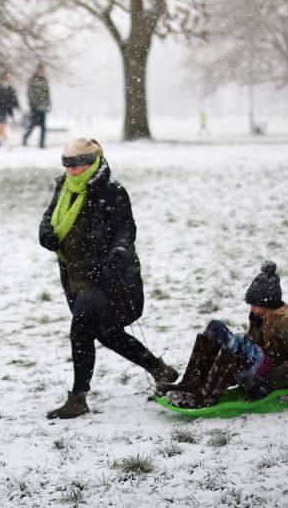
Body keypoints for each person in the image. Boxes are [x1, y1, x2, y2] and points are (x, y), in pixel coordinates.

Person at [38, 139, 177, 418]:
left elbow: (127, 229)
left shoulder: (112, 192)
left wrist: (117, 254)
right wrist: (45, 233)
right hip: (75, 274)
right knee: (107, 333)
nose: (73, 172)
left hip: (107, 278)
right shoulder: (64, 187)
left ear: (93, 164)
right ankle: (160, 369)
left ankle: (78, 398)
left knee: (81, 331)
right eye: (68, 166)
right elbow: (49, 217)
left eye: (78, 166)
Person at [164, 262, 288, 409]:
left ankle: (204, 397)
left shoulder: (287, 323)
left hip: (273, 378)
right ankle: (190, 385)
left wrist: (268, 385)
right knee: (215, 327)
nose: (252, 309)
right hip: (259, 367)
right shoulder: (262, 315)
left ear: (268, 304)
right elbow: (254, 345)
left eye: (255, 305)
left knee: (238, 342)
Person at [23, 64, 51, 148]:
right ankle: (25, 137)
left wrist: (48, 104)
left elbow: (47, 94)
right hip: (34, 107)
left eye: (43, 70)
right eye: (40, 70)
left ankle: (42, 143)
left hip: (43, 107)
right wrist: (32, 104)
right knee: (33, 125)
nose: (41, 71)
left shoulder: (45, 80)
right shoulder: (32, 80)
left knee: (43, 126)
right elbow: (30, 93)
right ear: (37, 70)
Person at [0, 72, 20, 147]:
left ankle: (1, 139)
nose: (7, 78)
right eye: (5, 77)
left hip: (6, 109)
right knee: (2, 124)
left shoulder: (8, 87)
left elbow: (13, 98)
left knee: (3, 124)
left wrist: (16, 105)